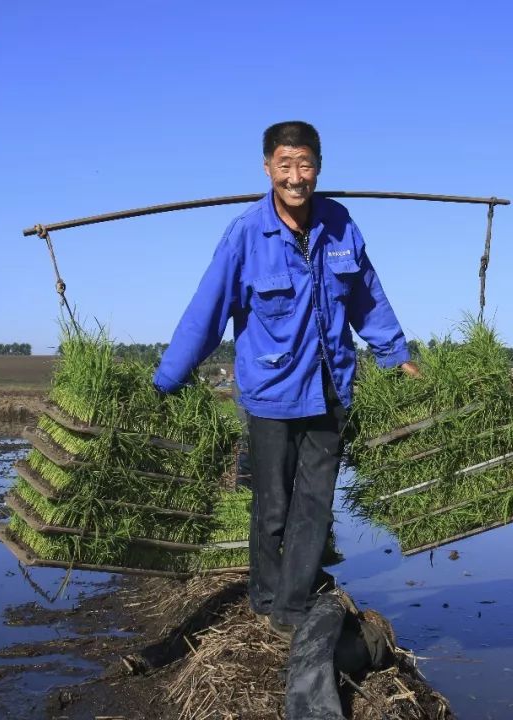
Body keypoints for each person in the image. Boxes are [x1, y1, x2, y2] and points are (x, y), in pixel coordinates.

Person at [153, 121, 419, 639]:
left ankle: (291, 607)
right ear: (267, 167)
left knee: (315, 502)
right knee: (272, 504)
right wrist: (167, 379)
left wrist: (395, 355)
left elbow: (369, 299)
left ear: (318, 166)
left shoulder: (341, 226)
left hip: (330, 389)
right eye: (285, 165)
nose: (296, 178)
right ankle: (266, 593)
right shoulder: (246, 235)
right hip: (271, 395)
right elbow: (206, 313)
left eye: (305, 165)